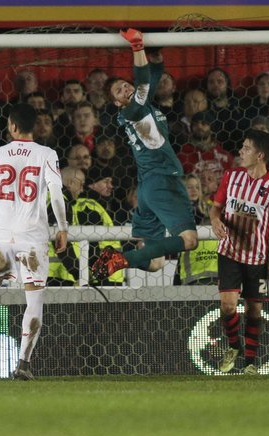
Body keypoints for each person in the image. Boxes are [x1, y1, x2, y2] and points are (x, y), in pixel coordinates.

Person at [0, 103, 68, 381]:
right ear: (35, 126)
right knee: (33, 297)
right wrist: (62, 228)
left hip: (1, 236)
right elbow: (56, 195)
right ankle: (23, 363)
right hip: (32, 238)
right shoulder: (47, 154)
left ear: (11, 126)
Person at [91, 29, 198, 279]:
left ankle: (117, 258)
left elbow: (151, 75)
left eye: (125, 84)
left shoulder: (140, 105)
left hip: (147, 189)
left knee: (155, 263)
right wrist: (138, 47)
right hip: (163, 182)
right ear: (117, 103)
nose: (125, 88)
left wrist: (157, 59)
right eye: (119, 91)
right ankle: (121, 259)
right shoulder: (132, 112)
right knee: (190, 240)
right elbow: (144, 79)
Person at [208, 130, 269, 375]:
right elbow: (215, 209)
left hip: (257, 258)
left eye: (246, 148)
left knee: (254, 310)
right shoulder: (231, 176)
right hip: (229, 252)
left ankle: (250, 363)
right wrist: (214, 221)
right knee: (228, 306)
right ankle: (234, 347)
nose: (240, 152)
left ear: (260, 155)